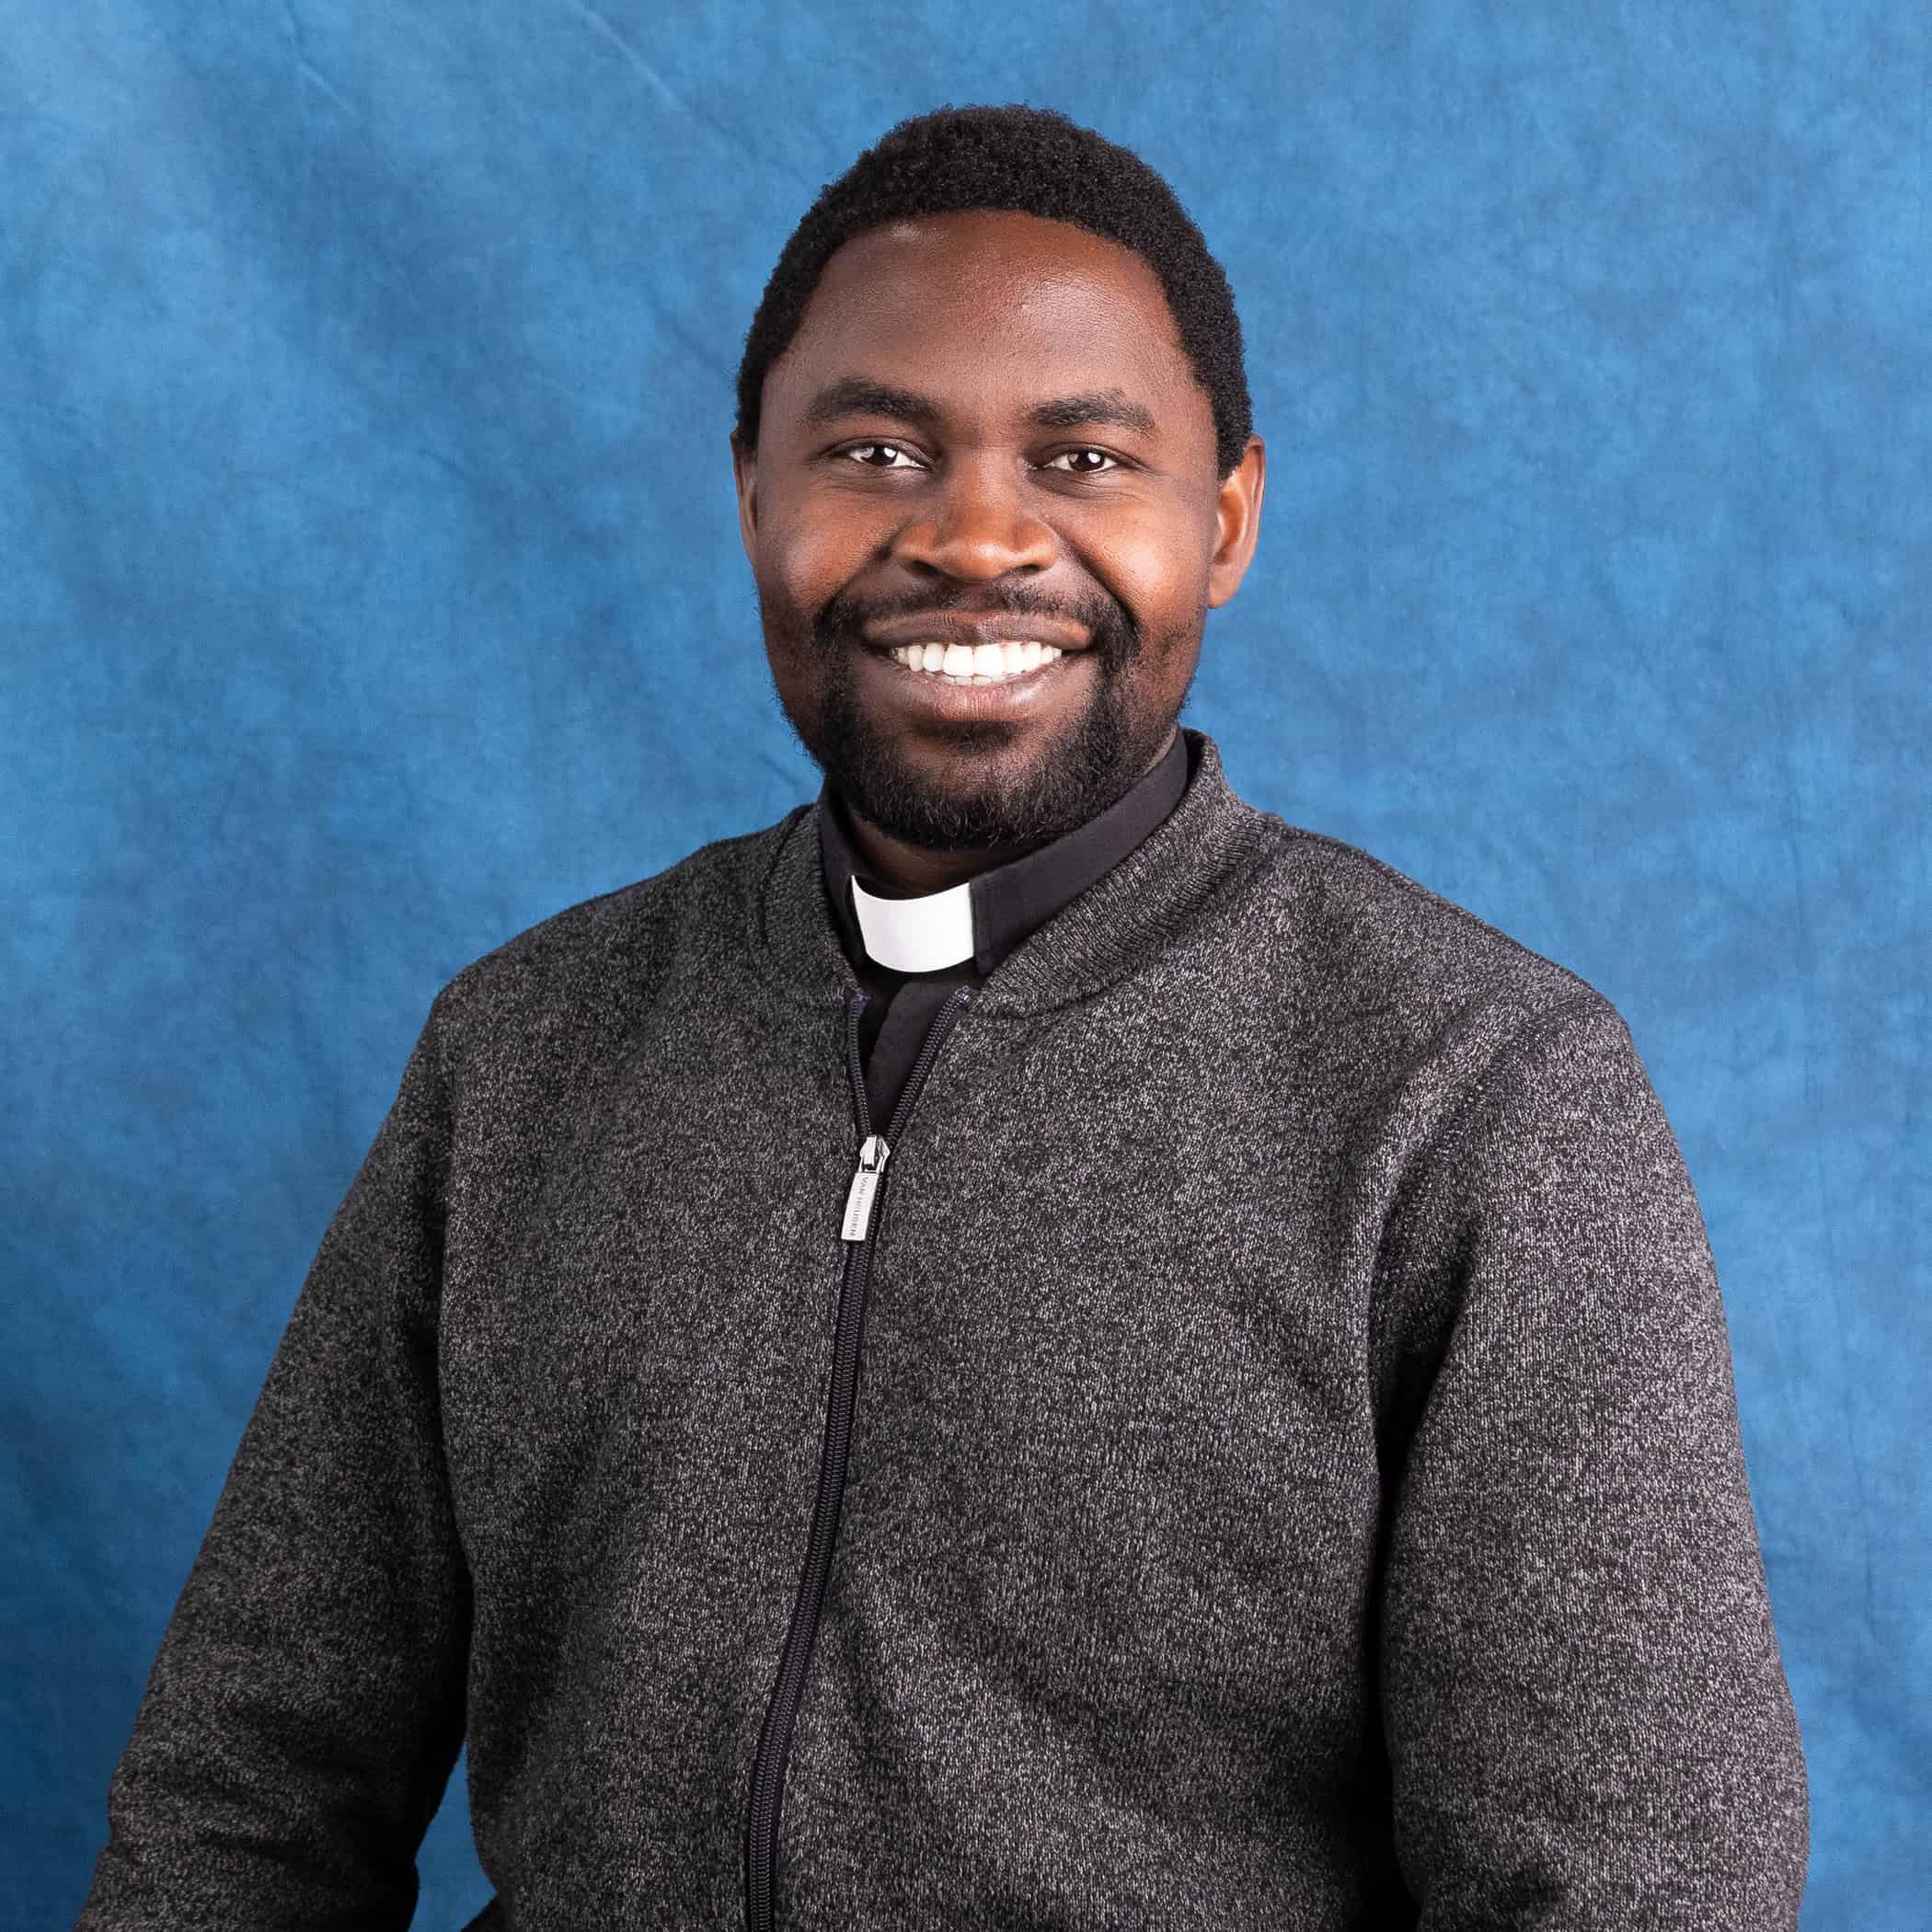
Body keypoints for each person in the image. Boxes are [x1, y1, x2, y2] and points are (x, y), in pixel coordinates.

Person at [75, 103, 1809, 1930]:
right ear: (753, 493)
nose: (979, 537)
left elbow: (1637, 1890)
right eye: (879, 451)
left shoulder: (1475, 1099)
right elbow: (242, 1799)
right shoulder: (523, 1051)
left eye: (1084, 458)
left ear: (1224, 518)